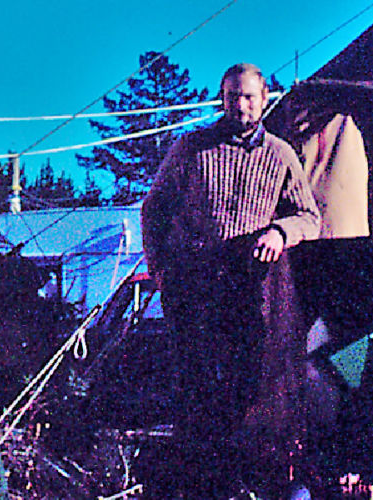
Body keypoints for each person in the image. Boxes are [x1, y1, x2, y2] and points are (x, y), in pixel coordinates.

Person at [139, 62, 322, 498]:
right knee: (194, 385)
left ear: (264, 99)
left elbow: (309, 217)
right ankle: (197, 486)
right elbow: (154, 209)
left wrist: (281, 232)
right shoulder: (191, 148)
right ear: (222, 99)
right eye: (231, 96)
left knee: (249, 385)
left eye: (248, 97)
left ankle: (240, 483)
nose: (239, 105)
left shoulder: (280, 154)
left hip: (249, 286)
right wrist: (161, 269)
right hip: (193, 282)